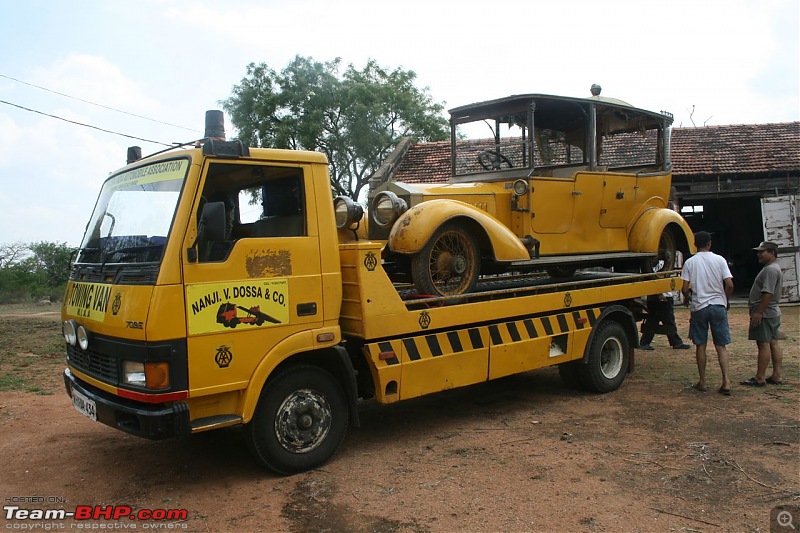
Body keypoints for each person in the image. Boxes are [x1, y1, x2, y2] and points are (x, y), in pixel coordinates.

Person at [680, 231, 734, 396]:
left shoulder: (690, 262)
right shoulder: (720, 260)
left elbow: (684, 288)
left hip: (700, 307)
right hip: (718, 305)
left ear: (695, 244)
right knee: (721, 346)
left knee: (700, 345)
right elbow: (729, 284)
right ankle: (726, 381)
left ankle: (703, 381)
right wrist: (725, 300)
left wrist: (687, 297)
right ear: (710, 243)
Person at [740, 241, 784, 387]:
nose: (759, 254)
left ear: (771, 253)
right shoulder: (773, 268)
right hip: (772, 312)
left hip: (765, 312)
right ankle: (776, 375)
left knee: (763, 343)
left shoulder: (770, 270)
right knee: (773, 342)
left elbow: (767, 293)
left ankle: (760, 377)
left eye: (762, 252)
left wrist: (759, 312)